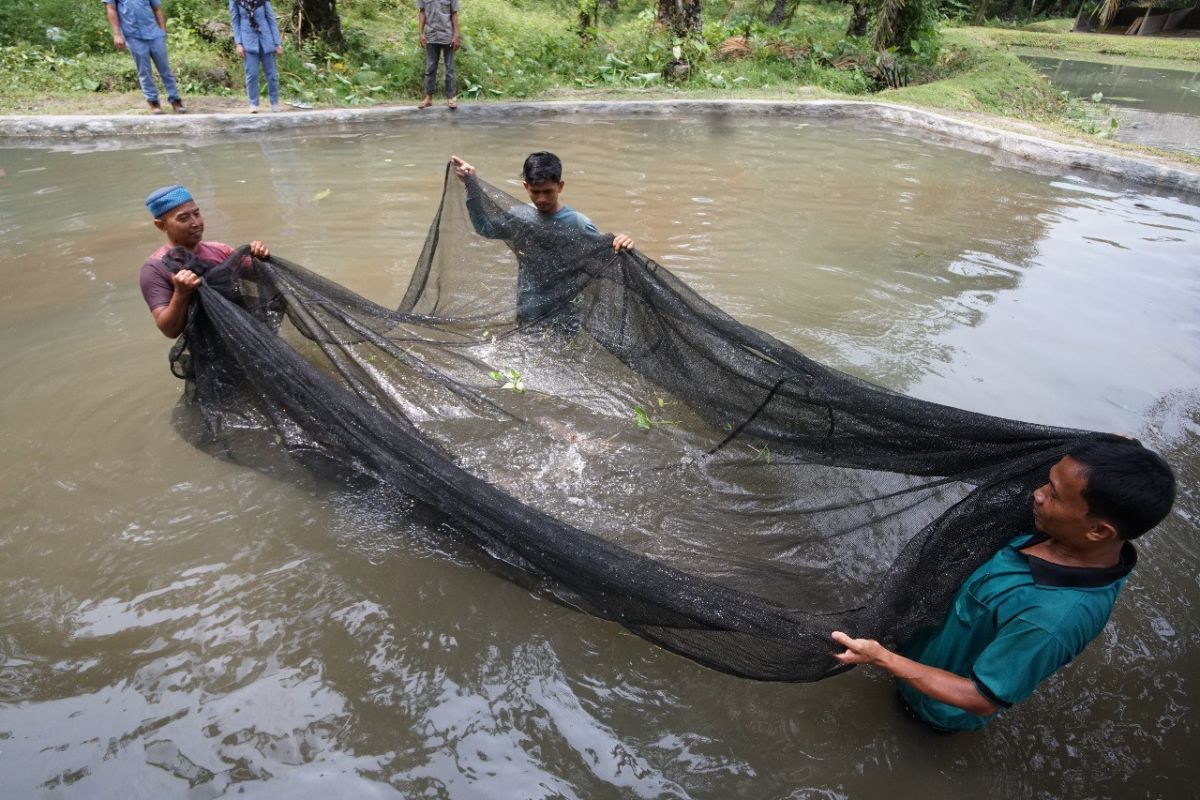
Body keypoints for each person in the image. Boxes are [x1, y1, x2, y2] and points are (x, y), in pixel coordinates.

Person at [831, 439, 1176, 732]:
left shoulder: (1051, 619)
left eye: (1054, 494)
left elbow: (979, 699)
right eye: (1047, 481)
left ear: (1098, 531)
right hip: (925, 643)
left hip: (931, 707)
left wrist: (884, 659)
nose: (1037, 495)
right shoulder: (1083, 541)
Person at [450, 151, 634, 321]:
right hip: (527, 309)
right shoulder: (520, 218)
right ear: (525, 186)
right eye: (535, 192)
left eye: (548, 192)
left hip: (565, 313)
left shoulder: (577, 223)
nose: (542, 199)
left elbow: (605, 256)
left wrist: (622, 242)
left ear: (560, 186)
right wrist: (472, 186)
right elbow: (486, 228)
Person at [140, 185, 270, 338]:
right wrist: (181, 294)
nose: (195, 222)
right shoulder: (155, 268)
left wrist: (260, 257)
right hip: (208, 347)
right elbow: (169, 330)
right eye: (184, 218)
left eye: (196, 213)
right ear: (161, 225)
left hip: (248, 334)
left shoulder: (221, 250)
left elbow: (263, 279)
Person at [103, 0, 186, 114]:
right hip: (133, 35)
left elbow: (157, 8)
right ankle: (153, 103)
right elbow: (111, 9)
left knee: (165, 69)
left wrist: (162, 30)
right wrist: (117, 34)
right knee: (144, 71)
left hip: (155, 34)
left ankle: (175, 101)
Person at [229, 0, 283, 113]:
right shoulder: (235, 1)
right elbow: (235, 21)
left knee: (272, 74)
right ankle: (253, 104)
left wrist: (277, 43)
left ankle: (274, 103)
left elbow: (271, 19)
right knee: (252, 74)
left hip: (266, 39)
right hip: (248, 40)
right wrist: (238, 43)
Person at [417, 0, 461, 109]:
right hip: (431, 35)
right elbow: (422, 12)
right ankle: (428, 98)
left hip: (448, 35)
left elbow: (454, 13)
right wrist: (421, 33)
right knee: (430, 67)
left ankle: (451, 98)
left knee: (449, 68)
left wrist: (456, 35)